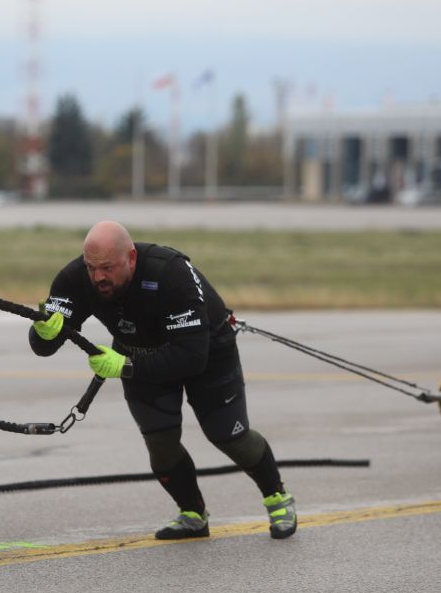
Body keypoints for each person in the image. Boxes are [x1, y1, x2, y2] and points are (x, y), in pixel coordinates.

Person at [29, 221, 297, 540]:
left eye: (107, 268)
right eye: (91, 267)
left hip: (207, 352)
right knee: (161, 444)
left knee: (229, 436)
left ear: (130, 258)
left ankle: (277, 497)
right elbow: (44, 347)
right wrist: (43, 333)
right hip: (139, 353)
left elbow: (191, 357)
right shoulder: (75, 278)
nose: (98, 276)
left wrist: (126, 366)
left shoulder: (170, 273)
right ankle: (192, 514)